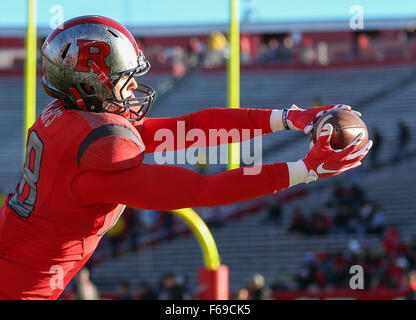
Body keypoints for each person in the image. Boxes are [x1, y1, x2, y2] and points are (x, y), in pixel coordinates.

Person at [0, 15, 372, 299]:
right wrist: (305, 170)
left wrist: (290, 118)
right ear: (91, 83)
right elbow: (201, 190)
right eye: (124, 79)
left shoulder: (68, 119)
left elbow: (192, 127)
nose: (131, 89)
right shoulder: (99, 145)